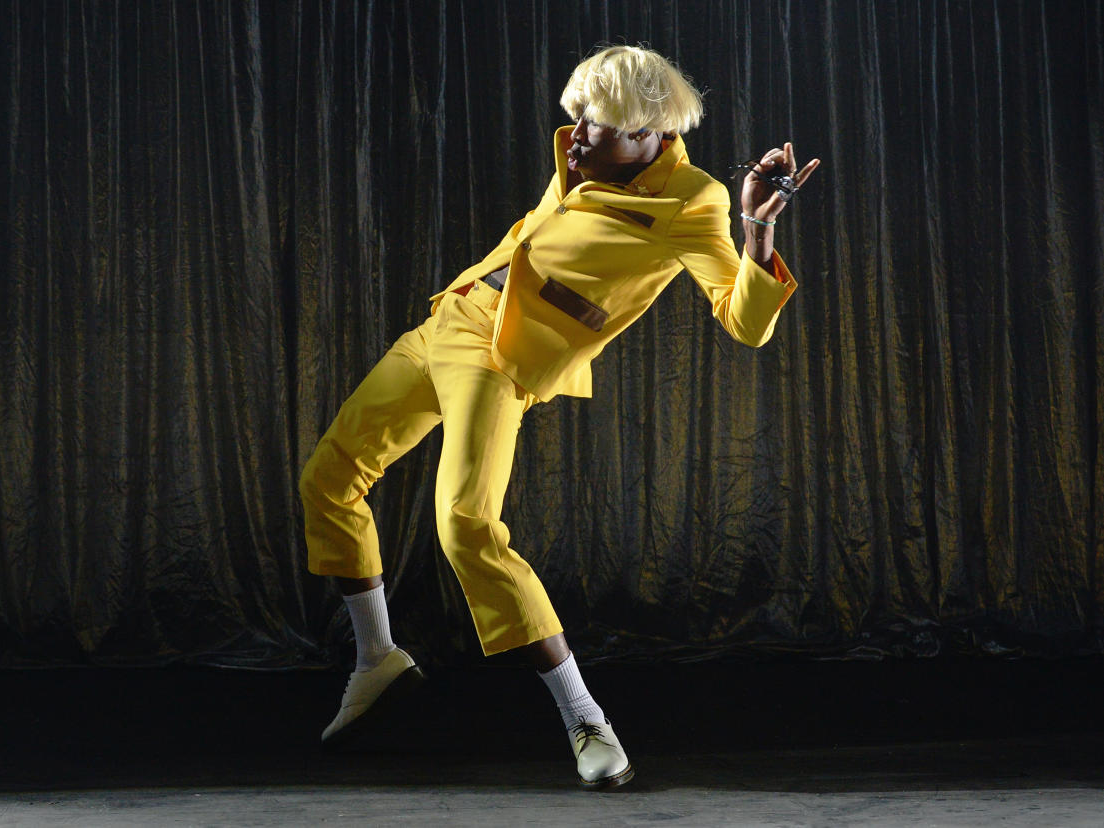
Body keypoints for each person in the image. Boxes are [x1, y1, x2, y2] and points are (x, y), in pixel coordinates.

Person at [299, 44, 819, 790]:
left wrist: (754, 234)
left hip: (500, 357)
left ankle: (586, 720)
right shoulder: (589, 155)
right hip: (451, 319)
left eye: (597, 124)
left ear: (649, 134)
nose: (575, 133)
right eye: (576, 115)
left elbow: (744, 324)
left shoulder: (689, 201)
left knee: (465, 526)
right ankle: (376, 660)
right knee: (329, 478)